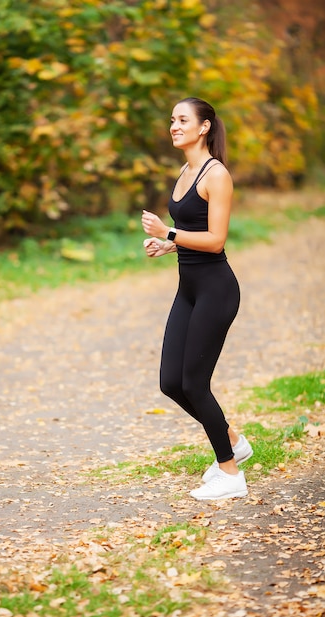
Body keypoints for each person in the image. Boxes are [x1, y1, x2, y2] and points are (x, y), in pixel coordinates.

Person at [141, 96, 253, 501]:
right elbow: (193, 232)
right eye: (172, 119)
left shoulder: (215, 174)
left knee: (194, 382)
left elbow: (216, 240)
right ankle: (235, 443)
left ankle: (230, 473)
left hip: (216, 291)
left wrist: (167, 232)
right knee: (171, 382)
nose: (174, 125)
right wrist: (168, 247)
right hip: (188, 289)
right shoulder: (186, 170)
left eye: (182, 119)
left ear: (204, 127)